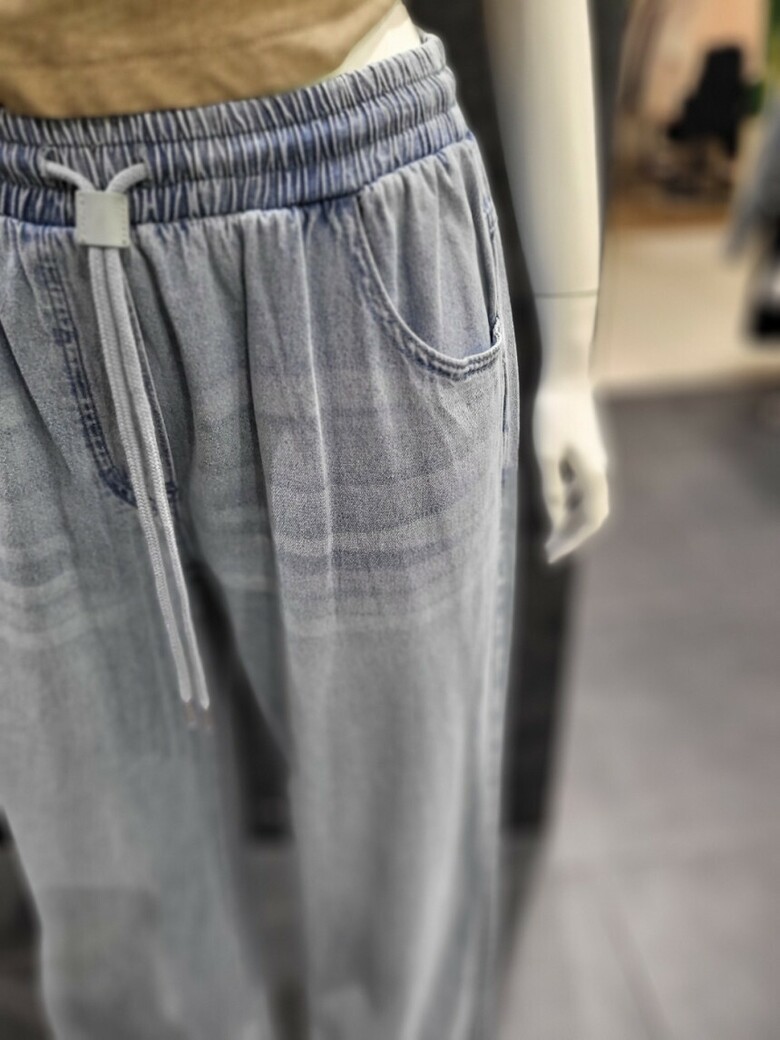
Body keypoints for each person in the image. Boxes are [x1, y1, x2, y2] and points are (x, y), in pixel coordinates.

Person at [0, 1, 607, 1037]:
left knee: (404, 858)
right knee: (103, 886)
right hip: (22, 243)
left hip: (346, 214)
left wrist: (573, 357)